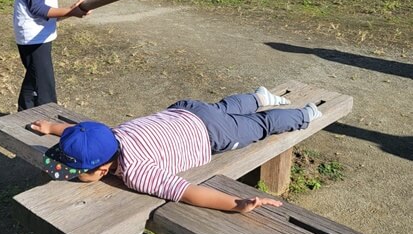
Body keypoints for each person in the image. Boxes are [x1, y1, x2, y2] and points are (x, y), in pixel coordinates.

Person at [30, 86, 323, 213]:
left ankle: (305, 115)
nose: (71, 174)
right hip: (185, 110)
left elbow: (187, 192)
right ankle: (258, 96)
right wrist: (53, 129)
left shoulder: (137, 172)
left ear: (102, 169)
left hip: (211, 134)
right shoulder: (108, 134)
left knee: (260, 127)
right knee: (223, 107)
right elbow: (79, 131)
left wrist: (235, 204)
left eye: (76, 172)